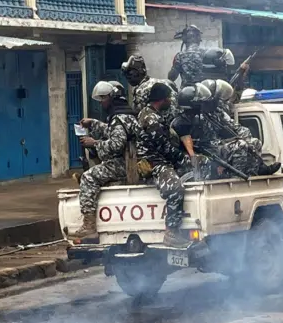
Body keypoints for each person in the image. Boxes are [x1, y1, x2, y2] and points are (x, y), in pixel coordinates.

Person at [70, 81, 140, 239]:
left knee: (88, 177)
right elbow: (112, 131)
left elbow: (116, 145)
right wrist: (93, 123)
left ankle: (89, 224)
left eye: (103, 98)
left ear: (112, 97)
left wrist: (94, 143)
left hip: (126, 164)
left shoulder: (118, 118)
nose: (101, 102)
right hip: (132, 162)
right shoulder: (126, 114)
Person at [171, 82, 280, 179]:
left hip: (212, 146)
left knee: (254, 142)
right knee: (240, 145)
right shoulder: (180, 122)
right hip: (206, 151)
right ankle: (234, 177)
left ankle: (258, 169)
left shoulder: (201, 116)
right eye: (200, 102)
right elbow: (188, 148)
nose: (202, 104)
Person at [137, 83, 193, 247]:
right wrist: (183, 160)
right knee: (175, 188)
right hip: (153, 163)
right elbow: (165, 148)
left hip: (159, 159)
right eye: (168, 97)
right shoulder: (150, 119)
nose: (170, 100)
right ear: (161, 99)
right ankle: (172, 232)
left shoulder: (154, 114)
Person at [168, 25, 236, 87]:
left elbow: (171, 77)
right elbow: (228, 55)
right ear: (199, 39)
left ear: (184, 40)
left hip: (187, 94)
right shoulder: (207, 53)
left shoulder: (179, 56)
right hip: (205, 93)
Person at [121, 54, 180, 120]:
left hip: (161, 125)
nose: (128, 78)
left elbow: (140, 115)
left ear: (137, 73)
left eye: (129, 75)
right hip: (176, 122)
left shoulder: (141, 89)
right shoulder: (163, 82)